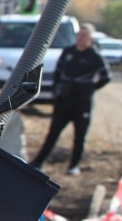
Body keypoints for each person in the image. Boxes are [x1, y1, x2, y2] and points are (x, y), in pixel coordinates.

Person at [29, 22, 110, 176]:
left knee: (80, 136)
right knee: (52, 133)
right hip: (64, 101)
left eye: (85, 36)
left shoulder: (95, 56)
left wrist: (89, 88)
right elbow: (57, 73)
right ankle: (38, 162)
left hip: (82, 103)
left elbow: (106, 77)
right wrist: (56, 91)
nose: (81, 38)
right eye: (79, 35)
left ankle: (74, 165)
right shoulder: (68, 52)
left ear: (91, 39)